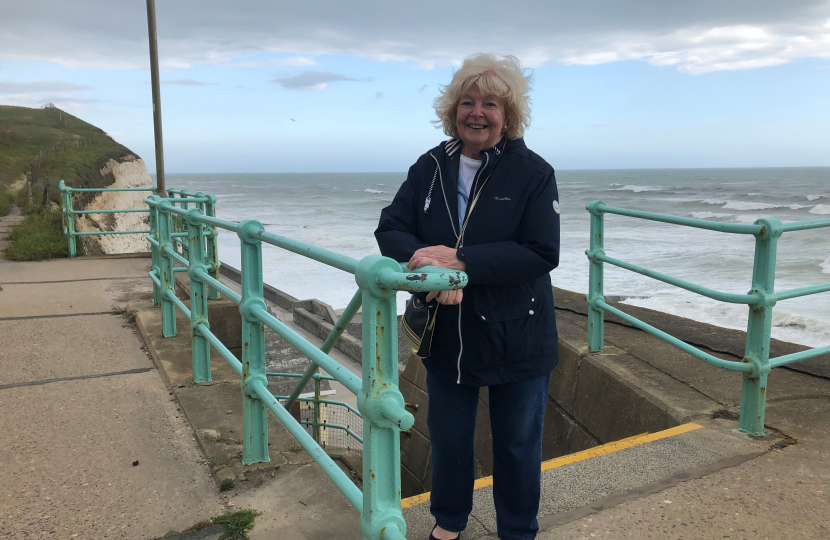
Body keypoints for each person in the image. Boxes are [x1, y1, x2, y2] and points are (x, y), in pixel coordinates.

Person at [375, 53, 561, 540]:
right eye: (467, 102)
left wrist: (463, 263)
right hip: (447, 334)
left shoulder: (533, 172)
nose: (477, 112)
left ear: (509, 115)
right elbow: (390, 228)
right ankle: (450, 522)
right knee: (451, 439)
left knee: (517, 444)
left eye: (491, 104)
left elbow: (541, 252)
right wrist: (426, 261)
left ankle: (518, 530)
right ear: (453, 110)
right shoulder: (430, 167)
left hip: (516, 332)